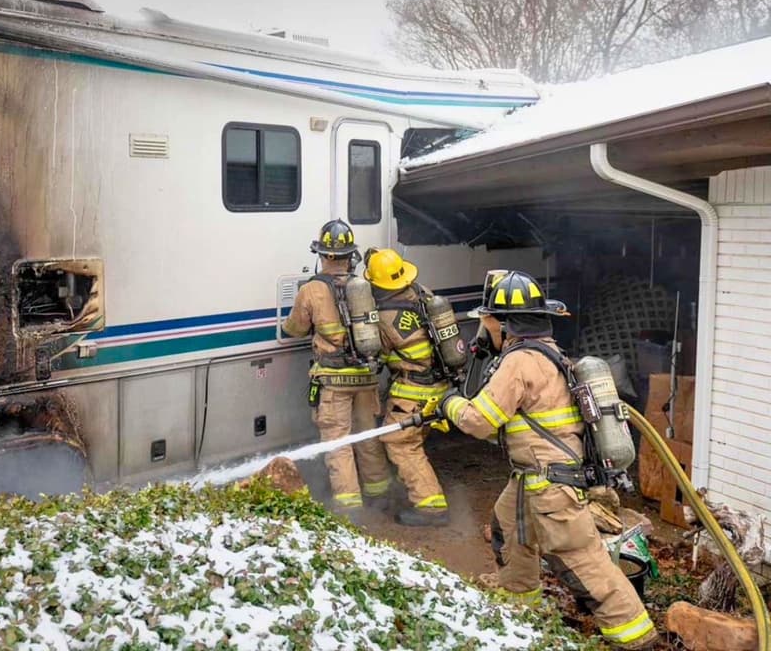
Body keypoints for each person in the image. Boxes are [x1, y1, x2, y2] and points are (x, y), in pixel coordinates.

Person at [421, 270, 658, 649]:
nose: (484, 333)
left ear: (504, 323)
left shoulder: (521, 362)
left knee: (582, 562)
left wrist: (449, 403)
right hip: (529, 479)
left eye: (487, 323)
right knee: (507, 531)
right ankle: (520, 607)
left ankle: (636, 636)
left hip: (551, 484)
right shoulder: (545, 353)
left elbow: (480, 421)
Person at [282, 220, 392, 514]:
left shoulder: (312, 289)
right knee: (367, 438)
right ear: (349, 255)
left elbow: (294, 328)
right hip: (367, 377)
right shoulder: (365, 286)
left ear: (323, 255)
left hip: (333, 382)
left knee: (338, 443)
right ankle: (380, 494)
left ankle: (349, 508)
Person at [364, 248, 450, 527]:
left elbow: (380, 355)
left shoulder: (385, 317)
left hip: (413, 390)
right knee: (415, 438)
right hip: (440, 384)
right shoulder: (422, 293)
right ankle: (410, 488)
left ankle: (430, 506)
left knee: (401, 444)